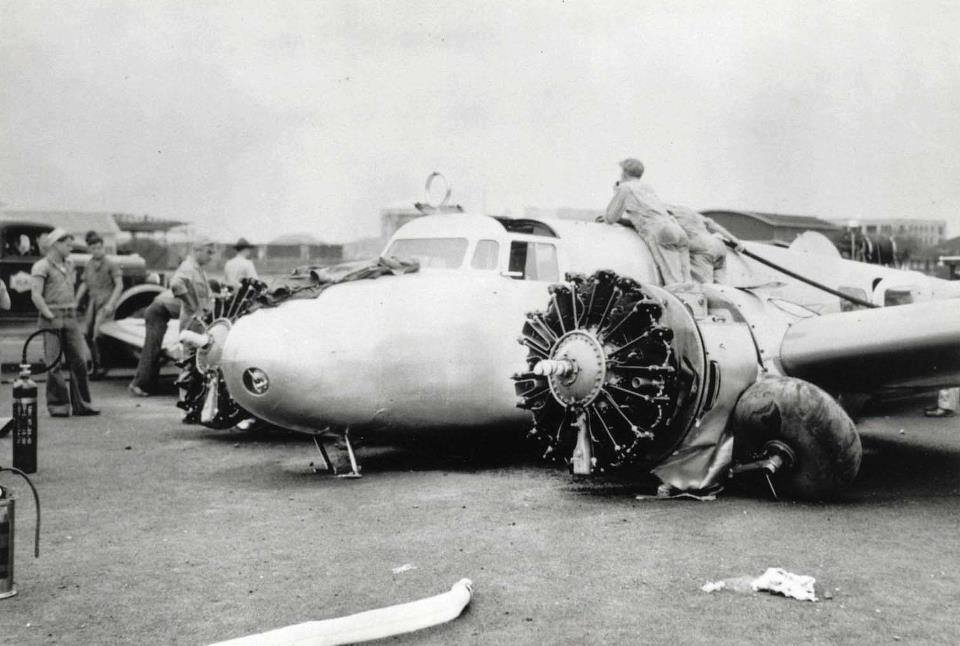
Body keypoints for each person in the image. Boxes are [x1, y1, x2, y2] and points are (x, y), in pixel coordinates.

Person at [30, 227, 99, 417]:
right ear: (56, 244)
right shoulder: (41, 266)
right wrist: (49, 315)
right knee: (54, 364)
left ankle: (82, 404)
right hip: (51, 317)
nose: (71, 248)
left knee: (80, 361)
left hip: (70, 317)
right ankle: (58, 405)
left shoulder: (70, 264)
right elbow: (36, 295)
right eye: (67, 245)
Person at [604, 158, 692, 285]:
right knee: (688, 282)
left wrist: (616, 191)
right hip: (677, 230)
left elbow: (610, 217)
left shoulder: (625, 187)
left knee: (674, 283)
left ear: (624, 173)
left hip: (660, 232)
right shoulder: (647, 187)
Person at [76, 230, 122, 377]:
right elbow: (84, 284)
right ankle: (95, 365)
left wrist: (111, 304)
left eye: (99, 247)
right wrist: (76, 301)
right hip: (93, 301)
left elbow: (119, 285)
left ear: (103, 247)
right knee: (87, 333)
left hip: (106, 302)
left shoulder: (111, 264)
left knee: (98, 334)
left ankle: (103, 365)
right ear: (89, 249)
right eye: (93, 248)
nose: (97, 250)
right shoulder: (88, 264)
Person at [128, 291, 181, 397]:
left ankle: (149, 385)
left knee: (153, 349)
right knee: (151, 350)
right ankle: (139, 384)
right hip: (157, 312)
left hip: (156, 309)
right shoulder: (195, 298)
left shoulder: (190, 290)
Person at [668, 205, 732, 284]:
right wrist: (735, 241)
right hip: (718, 245)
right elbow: (711, 224)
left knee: (703, 287)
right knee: (720, 287)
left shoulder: (663, 213)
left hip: (702, 250)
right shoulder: (685, 210)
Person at [170, 237, 216, 332]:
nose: (211, 257)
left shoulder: (199, 270)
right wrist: (193, 307)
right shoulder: (188, 267)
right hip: (190, 323)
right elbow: (176, 284)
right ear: (197, 251)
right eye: (208, 252)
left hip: (200, 322)